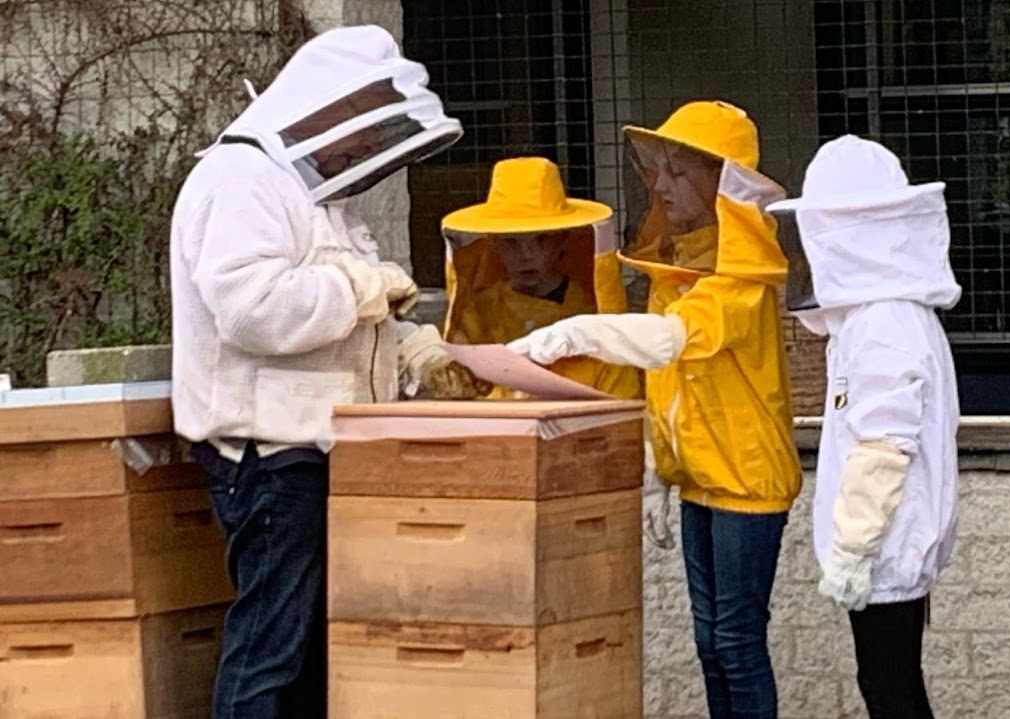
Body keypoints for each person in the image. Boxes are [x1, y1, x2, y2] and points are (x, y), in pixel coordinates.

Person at [169, 26, 485, 719]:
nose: (368, 147)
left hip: (317, 446)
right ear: (329, 103)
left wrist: (410, 347)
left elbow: (353, 313)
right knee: (272, 649)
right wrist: (355, 286)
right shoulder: (242, 181)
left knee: (311, 654)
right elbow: (251, 310)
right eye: (367, 120)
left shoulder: (316, 195)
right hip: (269, 453)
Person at [508, 101, 801, 719]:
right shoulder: (677, 268)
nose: (661, 185)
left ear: (720, 184)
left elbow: (671, 341)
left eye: (678, 173)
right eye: (658, 171)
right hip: (699, 479)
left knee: (738, 643)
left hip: (747, 483)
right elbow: (666, 386)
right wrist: (653, 471)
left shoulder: (741, 278)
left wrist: (577, 333)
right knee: (709, 643)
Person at [767, 134, 961, 719]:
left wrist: (852, 549)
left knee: (890, 687)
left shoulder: (886, 323)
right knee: (888, 682)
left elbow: (884, 445)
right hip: (887, 546)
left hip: (886, 547)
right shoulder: (877, 317)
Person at [440, 156, 641, 399]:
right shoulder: (475, 321)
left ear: (561, 239)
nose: (527, 255)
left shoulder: (593, 321)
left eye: (542, 239)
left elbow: (621, 415)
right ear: (493, 244)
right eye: (511, 242)